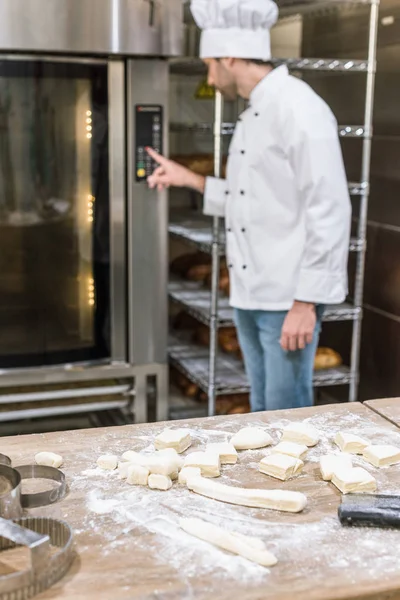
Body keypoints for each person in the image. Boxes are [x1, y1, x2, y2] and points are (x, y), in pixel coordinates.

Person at [147, 0, 351, 412]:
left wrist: (306, 303)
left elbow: (329, 209)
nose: (209, 75)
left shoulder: (300, 109)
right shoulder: (256, 113)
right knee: (262, 409)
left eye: (210, 64)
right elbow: (253, 201)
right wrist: (189, 179)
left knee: (285, 410)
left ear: (230, 57)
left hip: (287, 297)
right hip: (252, 291)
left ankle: (290, 479)